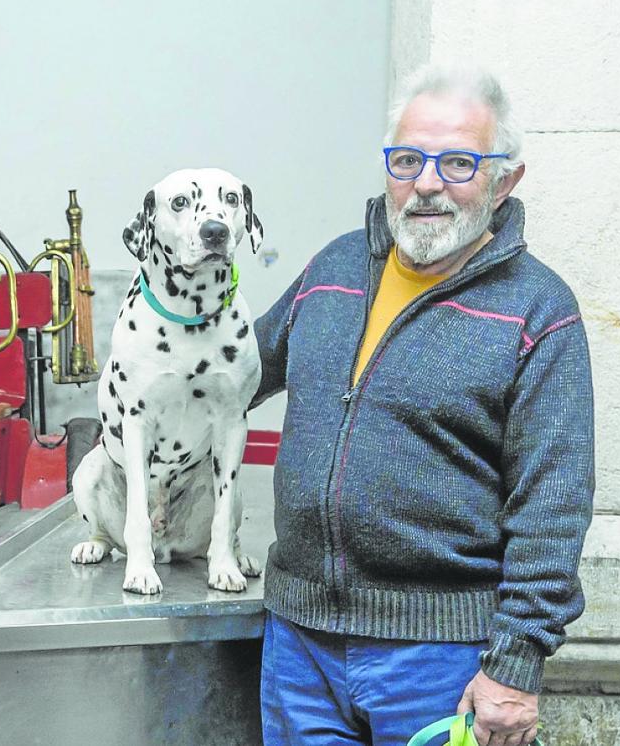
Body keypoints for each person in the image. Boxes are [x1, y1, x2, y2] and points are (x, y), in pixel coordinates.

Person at [252, 65, 594, 746]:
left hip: (444, 662)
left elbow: (553, 506)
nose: (428, 183)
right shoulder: (332, 271)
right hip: (300, 650)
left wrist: (516, 665)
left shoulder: (539, 310)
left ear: (506, 180)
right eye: (408, 159)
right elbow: (230, 376)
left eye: (458, 162)